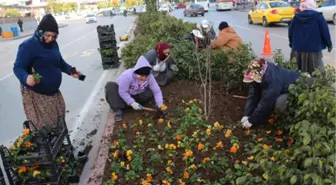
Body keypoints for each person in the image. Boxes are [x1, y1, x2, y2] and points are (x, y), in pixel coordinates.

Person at [13, 14, 81, 130]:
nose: (50, 39)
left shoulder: (53, 44)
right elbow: (18, 68)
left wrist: (72, 71)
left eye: (53, 36)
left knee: (59, 121)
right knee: (46, 128)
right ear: (40, 32)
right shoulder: (27, 46)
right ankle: (50, 148)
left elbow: (59, 62)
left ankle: (62, 147)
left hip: (53, 93)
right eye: (47, 35)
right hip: (37, 94)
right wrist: (26, 77)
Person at [241, 58, 300, 129]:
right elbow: (252, 94)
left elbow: (266, 103)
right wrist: (247, 114)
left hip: (296, 88)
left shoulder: (273, 81)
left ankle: (287, 119)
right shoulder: (261, 71)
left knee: (279, 104)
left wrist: (251, 121)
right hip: (280, 87)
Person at [105, 56, 164, 122]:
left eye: (146, 76)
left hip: (137, 95)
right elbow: (123, 92)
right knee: (110, 86)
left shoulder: (150, 77)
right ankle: (118, 109)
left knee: (151, 92)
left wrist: (160, 105)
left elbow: (157, 92)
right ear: (136, 72)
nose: (144, 78)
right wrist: (132, 102)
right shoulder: (127, 76)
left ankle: (131, 105)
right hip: (122, 97)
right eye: (141, 76)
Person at [288, 0, 333, 74]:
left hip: (298, 49)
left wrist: (291, 43)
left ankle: (299, 84)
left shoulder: (296, 17)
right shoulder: (318, 16)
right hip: (314, 50)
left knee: (295, 72)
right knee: (318, 73)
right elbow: (325, 31)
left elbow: (290, 32)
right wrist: (329, 44)